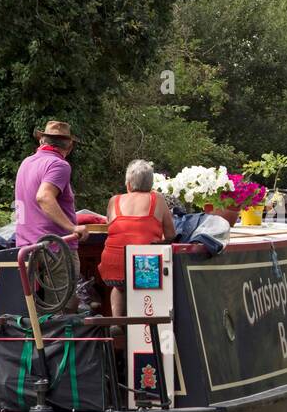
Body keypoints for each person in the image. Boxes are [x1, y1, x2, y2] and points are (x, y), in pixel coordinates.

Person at [14, 121, 90, 305]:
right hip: (56, 247)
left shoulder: (26, 163)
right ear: (69, 146)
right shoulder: (59, 165)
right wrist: (73, 227)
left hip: (26, 248)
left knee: (35, 311)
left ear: (41, 141)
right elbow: (44, 197)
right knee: (64, 308)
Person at [100, 159, 175, 316]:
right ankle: (145, 324)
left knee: (119, 287)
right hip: (143, 266)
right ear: (151, 185)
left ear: (128, 185)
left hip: (113, 266)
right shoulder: (158, 199)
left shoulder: (114, 200)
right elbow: (170, 235)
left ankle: (117, 321)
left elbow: (111, 227)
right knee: (148, 279)